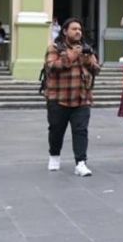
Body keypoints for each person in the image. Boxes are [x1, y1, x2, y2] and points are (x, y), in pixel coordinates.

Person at [44, 18, 101, 176]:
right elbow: (51, 67)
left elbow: (96, 69)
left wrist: (89, 60)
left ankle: (81, 163)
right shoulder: (55, 48)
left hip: (81, 98)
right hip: (58, 98)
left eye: (80, 30)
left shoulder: (86, 48)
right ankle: (54, 156)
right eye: (74, 29)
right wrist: (72, 55)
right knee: (56, 130)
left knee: (81, 130)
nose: (78, 32)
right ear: (65, 31)